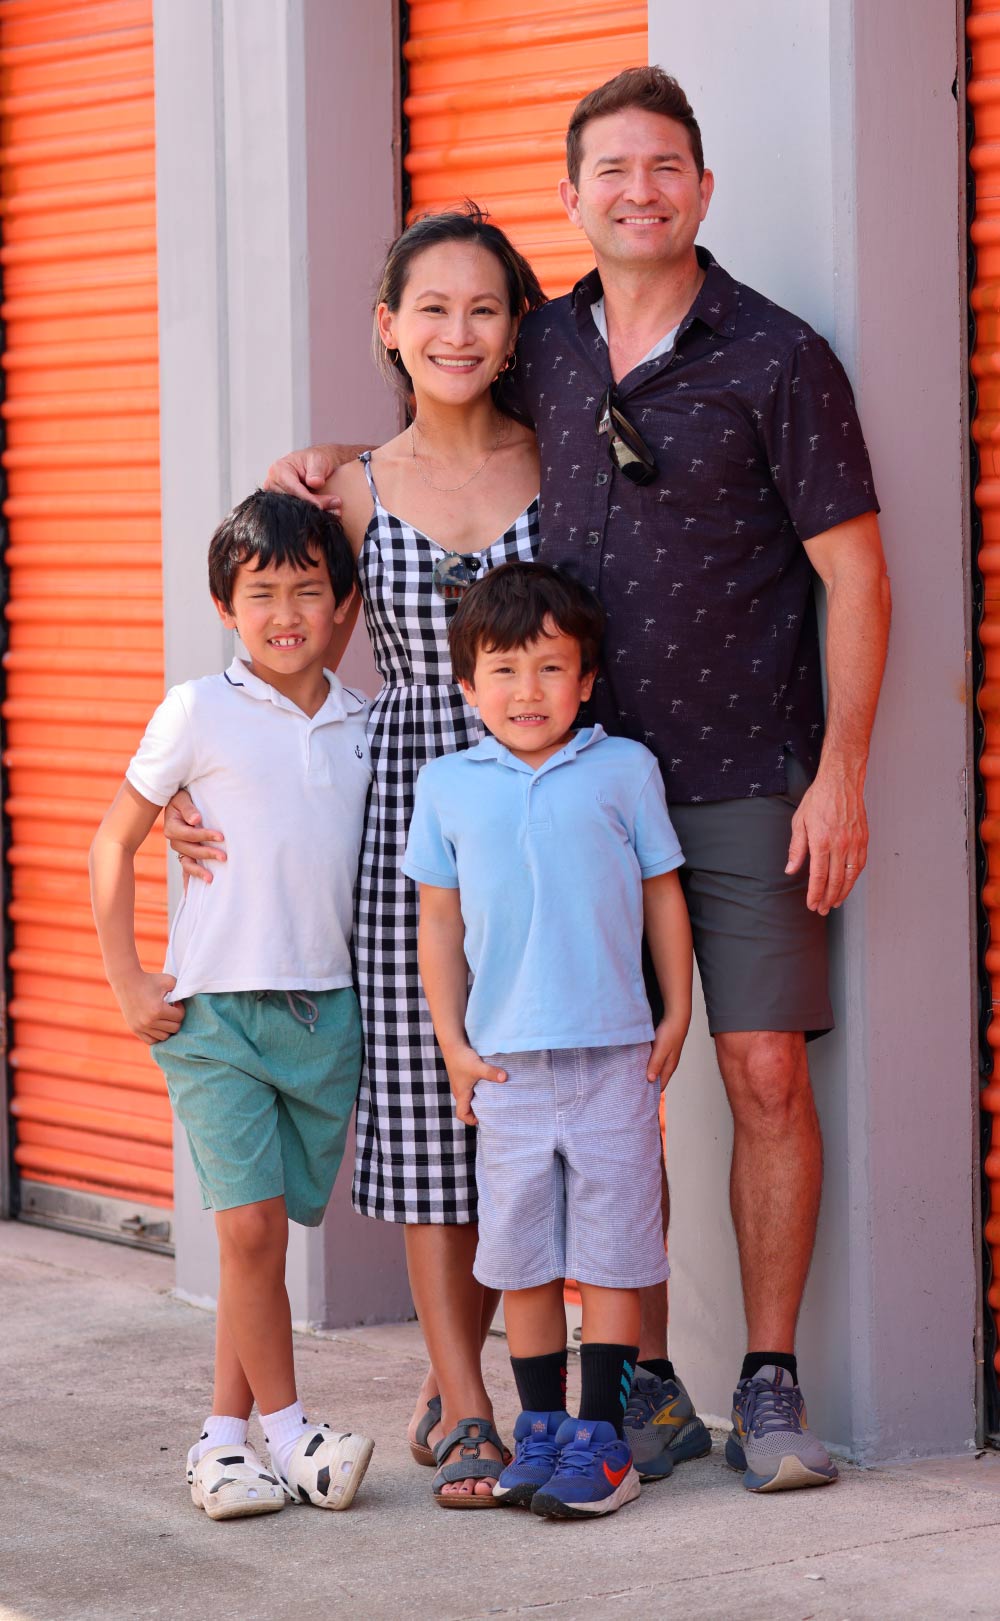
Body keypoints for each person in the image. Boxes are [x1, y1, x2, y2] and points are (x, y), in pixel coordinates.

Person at [263, 65, 892, 1494]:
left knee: (757, 1068)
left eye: (664, 166)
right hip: (534, 788)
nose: (638, 190)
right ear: (572, 198)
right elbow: (426, 431)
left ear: (703, 189)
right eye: (609, 169)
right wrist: (327, 467)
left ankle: (771, 1379)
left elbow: (856, 573)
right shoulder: (542, 344)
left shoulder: (778, 357)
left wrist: (841, 770)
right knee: (584, 1089)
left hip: (732, 771)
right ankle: (625, 1386)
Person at [166, 208, 550, 1503]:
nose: (457, 331)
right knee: (440, 1132)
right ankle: (471, 1394)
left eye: (484, 308)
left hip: (544, 836)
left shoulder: (566, 467)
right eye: (430, 308)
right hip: (409, 841)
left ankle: (454, 1384)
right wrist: (184, 794)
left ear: (516, 330)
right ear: (387, 326)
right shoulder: (351, 489)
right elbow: (278, 680)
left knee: (537, 1100)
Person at [89, 491, 375, 1519]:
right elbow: (108, 842)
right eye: (262, 594)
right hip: (212, 1014)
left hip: (326, 1015)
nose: (287, 612)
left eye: (309, 589)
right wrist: (127, 978)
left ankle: (221, 1442)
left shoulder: (366, 727)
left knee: (262, 1240)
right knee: (250, 1231)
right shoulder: (196, 709)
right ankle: (294, 1433)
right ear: (225, 605)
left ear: (345, 605)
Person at [405, 562, 693, 1518]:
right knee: (521, 1255)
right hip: (506, 1067)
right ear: (465, 685)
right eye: (502, 670)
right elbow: (438, 926)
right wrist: (452, 1043)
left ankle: (601, 1440)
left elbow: (662, 892)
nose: (527, 692)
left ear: (587, 678)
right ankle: (539, 1431)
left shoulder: (624, 769)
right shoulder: (447, 784)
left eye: (548, 668)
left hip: (613, 1054)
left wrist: (678, 1008)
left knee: (612, 1252)